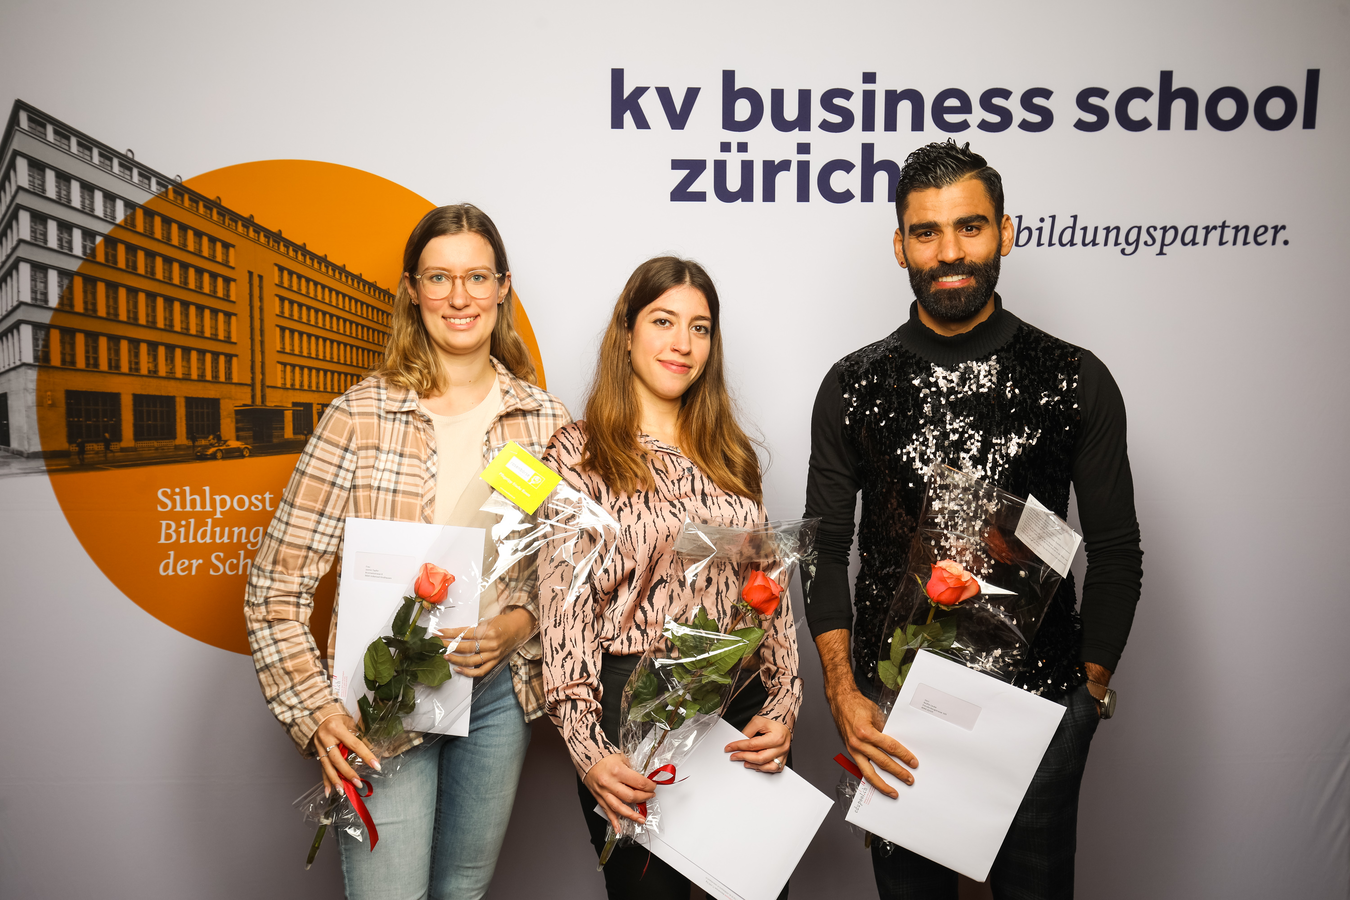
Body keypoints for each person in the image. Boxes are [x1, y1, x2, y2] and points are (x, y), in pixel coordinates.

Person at [803, 141, 1143, 899]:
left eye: (970, 226)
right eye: (926, 232)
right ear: (900, 246)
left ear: (1005, 233)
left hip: (1039, 710)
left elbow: (1117, 550)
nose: (949, 251)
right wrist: (844, 693)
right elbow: (823, 549)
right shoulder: (852, 384)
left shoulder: (1075, 377)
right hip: (895, 715)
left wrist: (1086, 696)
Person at [244, 204, 570, 899]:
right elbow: (274, 588)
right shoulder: (358, 417)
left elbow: (569, 580)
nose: (459, 297)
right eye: (439, 277)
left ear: (503, 288)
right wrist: (317, 714)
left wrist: (517, 627)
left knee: (463, 892)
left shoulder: (545, 423)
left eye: (477, 277)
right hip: (383, 702)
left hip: (495, 696)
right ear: (412, 290)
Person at [540, 257, 803, 900]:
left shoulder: (731, 454)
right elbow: (564, 608)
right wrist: (589, 748)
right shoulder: (577, 453)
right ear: (626, 333)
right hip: (632, 703)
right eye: (663, 321)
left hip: (739, 703)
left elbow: (766, 588)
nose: (682, 343)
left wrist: (783, 705)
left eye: (700, 327)